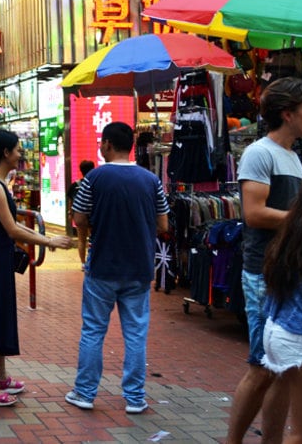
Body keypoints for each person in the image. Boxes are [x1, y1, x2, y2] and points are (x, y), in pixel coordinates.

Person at [0, 130, 72, 407]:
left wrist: (46, 240)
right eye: (18, 150)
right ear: (6, 153)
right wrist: (48, 240)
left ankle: (0, 377)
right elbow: (12, 229)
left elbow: (14, 225)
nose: (21, 154)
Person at [64, 122, 169, 414]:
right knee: (135, 332)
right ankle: (135, 398)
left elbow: (80, 220)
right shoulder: (150, 180)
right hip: (139, 266)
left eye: (101, 142)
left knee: (94, 330)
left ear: (108, 144)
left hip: (103, 265)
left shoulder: (94, 179)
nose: (100, 146)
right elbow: (163, 224)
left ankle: (84, 392)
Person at [226, 77, 302, 443]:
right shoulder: (261, 152)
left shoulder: (293, 155)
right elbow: (254, 213)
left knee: (282, 367)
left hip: (284, 272)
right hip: (262, 272)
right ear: (288, 113)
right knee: (261, 366)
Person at [261, 179, 302, 444]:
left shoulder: (295, 223)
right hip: (296, 335)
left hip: (279, 329)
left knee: (279, 389)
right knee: (301, 434)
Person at [68, 160, 96, 265]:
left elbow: (70, 200)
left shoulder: (75, 185)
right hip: (93, 215)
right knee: (94, 239)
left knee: (81, 239)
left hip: (79, 215)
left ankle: (83, 263)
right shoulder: (94, 183)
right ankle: (92, 261)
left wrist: (70, 213)